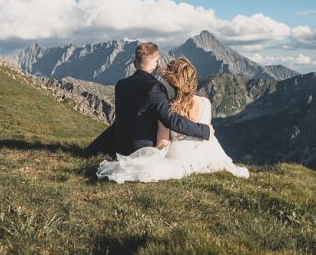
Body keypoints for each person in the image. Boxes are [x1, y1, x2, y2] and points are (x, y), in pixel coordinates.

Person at [96, 56, 249, 183]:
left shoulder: (168, 106)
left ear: (172, 83)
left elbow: (162, 142)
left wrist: (155, 155)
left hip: (178, 154)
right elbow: (207, 133)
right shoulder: (205, 103)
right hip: (204, 152)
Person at [85, 42, 212, 157]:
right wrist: (204, 130)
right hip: (141, 149)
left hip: (119, 147)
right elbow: (171, 119)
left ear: (135, 64)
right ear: (157, 63)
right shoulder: (155, 88)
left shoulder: (120, 85)